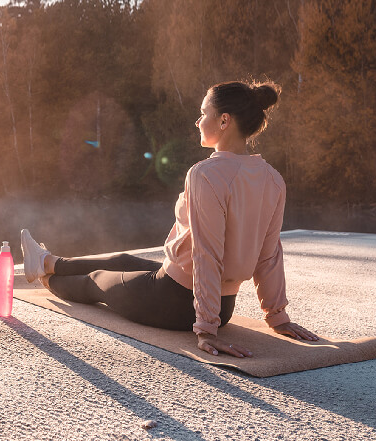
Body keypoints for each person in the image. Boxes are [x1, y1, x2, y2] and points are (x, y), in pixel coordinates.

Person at [20, 80, 318, 358]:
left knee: (95, 282)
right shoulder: (273, 179)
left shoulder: (206, 175)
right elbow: (269, 255)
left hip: (175, 302)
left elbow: (208, 255)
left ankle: (48, 278)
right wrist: (277, 317)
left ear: (224, 121)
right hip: (222, 306)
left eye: (204, 114)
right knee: (123, 259)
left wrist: (206, 329)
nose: (198, 121)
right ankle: (46, 261)